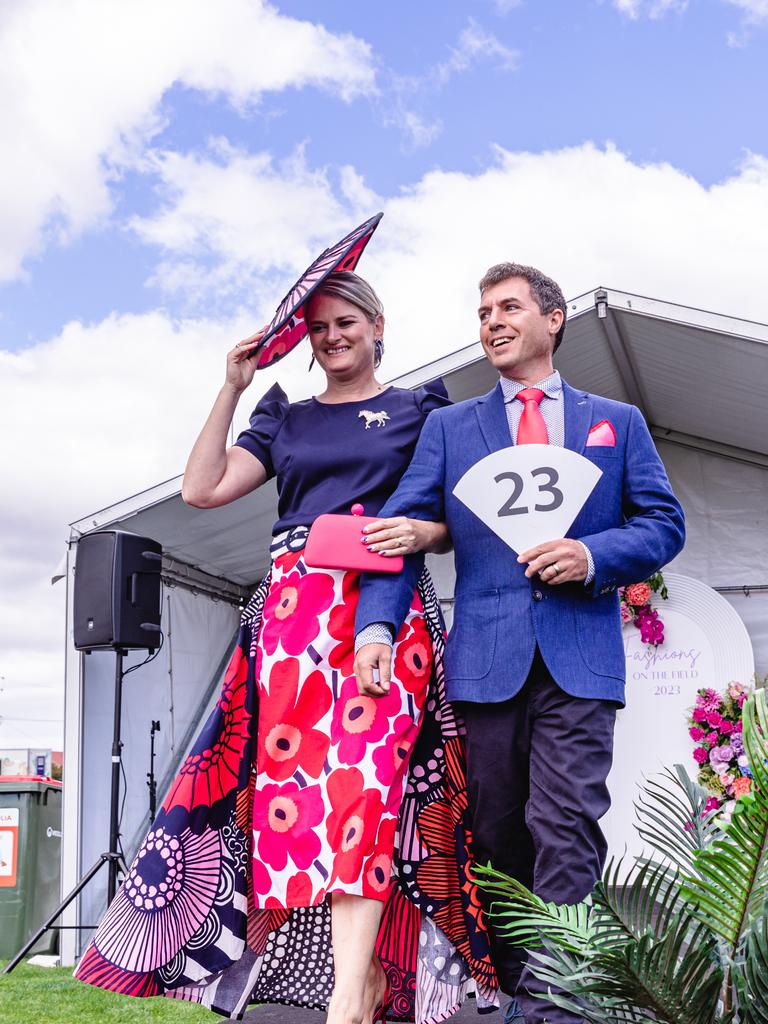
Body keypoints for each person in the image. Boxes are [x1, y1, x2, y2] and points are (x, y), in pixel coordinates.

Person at [74, 271, 497, 1024]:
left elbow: (457, 513)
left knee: (364, 793)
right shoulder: (285, 418)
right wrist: (231, 388)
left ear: (377, 324)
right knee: (299, 807)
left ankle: (345, 997)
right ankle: (359, 986)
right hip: (293, 618)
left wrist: (424, 535)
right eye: (319, 328)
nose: (332, 337)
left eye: (346, 322)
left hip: (385, 614)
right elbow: (204, 489)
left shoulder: (419, 410)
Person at [354, 263, 686, 1024]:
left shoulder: (618, 421)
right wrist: (377, 625)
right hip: (487, 665)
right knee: (499, 837)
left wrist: (595, 556)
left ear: (554, 318)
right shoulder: (450, 427)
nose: (491, 322)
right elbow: (398, 537)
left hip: (581, 660)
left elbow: (663, 524)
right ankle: (514, 985)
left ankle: (557, 1006)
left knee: (564, 821)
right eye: (481, 313)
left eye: (507, 307)